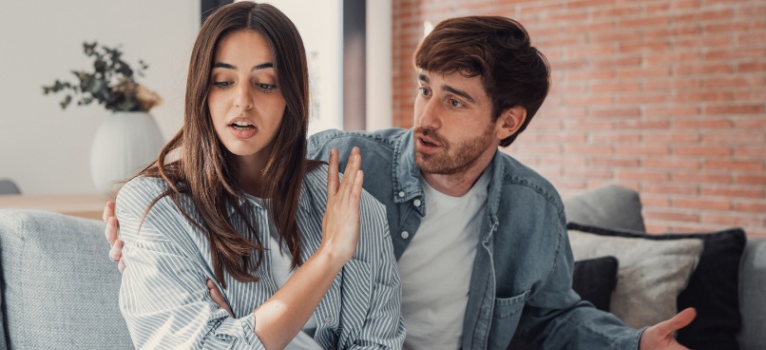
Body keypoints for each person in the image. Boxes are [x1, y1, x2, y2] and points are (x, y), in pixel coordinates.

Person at [107, 14, 695, 350]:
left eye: (455, 101)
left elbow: (552, 316)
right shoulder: (347, 166)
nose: (425, 117)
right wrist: (137, 220)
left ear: (507, 122)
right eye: (423, 89)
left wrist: (632, 344)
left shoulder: (531, 208)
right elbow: (252, 168)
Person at [111, 2, 404, 349]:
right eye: (223, 81)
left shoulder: (356, 209)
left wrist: (237, 332)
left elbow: (378, 344)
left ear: (292, 96)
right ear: (201, 92)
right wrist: (328, 257)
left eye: (265, 84)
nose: (242, 100)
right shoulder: (154, 207)